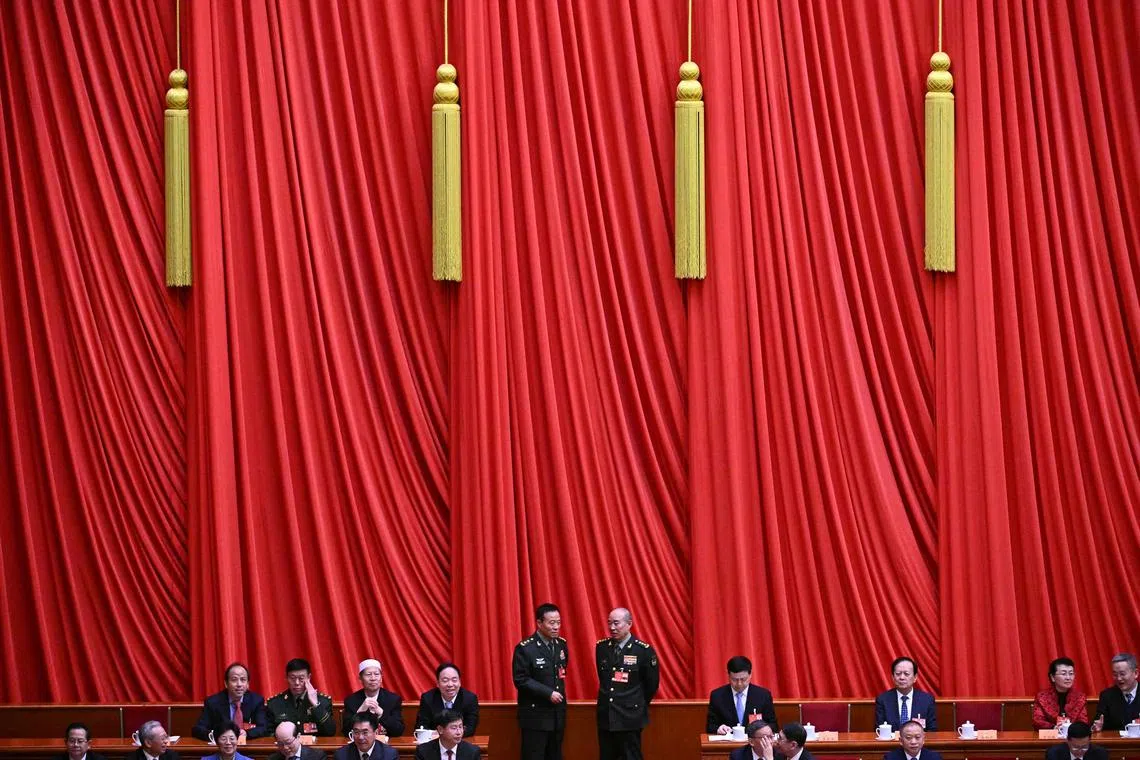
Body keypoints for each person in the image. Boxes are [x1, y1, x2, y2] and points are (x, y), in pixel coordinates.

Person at [595, 607, 659, 760]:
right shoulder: (602, 647)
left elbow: (652, 684)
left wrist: (635, 703)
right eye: (609, 623)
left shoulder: (643, 650)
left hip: (630, 716)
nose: (612, 628)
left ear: (629, 624)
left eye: (616, 623)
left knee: (631, 756)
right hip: (606, 715)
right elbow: (604, 679)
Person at [513, 603, 568, 760]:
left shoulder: (561, 645)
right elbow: (521, 679)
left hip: (557, 715)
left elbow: (561, 673)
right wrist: (548, 693)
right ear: (539, 623)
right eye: (552, 622)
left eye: (558, 622)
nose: (556, 626)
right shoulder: (526, 648)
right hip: (535, 716)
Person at [193, 662, 270, 740]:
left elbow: (263, 728)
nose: (239, 684)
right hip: (222, 748)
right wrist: (218, 735)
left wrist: (247, 733)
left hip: (247, 747)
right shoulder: (213, 702)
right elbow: (198, 729)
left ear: (247, 684)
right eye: (234, 679)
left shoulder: (256, 701)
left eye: (243, 680)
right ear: (226, 683)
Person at [706, 656, 779, 734]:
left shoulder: (763, 695)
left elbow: (773, 726)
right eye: (734, 680)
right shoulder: (717, 696)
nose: (739, 684)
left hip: (754, 743)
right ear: (728, 675)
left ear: (750, 674)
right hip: (728, 743)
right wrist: (719, 729)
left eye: (743, 679)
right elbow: (710, 727)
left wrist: (760, 731)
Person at [267, 658, 336, 736]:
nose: (297, 683)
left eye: (301, 678)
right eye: (292, 678)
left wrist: (316, 705)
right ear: (286, 678)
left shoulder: (323, 701)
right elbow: (269, 735)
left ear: (309, 677)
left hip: (314, 747)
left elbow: (330, 731)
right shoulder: (275, 703)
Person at [342, 658, 405, 737]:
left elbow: (398, 731)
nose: (373, 678)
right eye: (368, 674)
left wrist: (382, 714)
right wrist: (360, 712)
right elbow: (346, 732)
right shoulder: (351, 700)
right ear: (360, 678)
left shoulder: (393, 699)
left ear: (381, 678)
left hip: (386, 746)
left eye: (376, 674)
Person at [415, 662, 479, 737]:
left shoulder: (469, 699)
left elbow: (470, 728)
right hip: (434, 743)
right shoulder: (428, 698)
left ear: (460, 682)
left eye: (454, 680)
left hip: (460, 742)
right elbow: (421, 726)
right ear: (438, 683)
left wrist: (446, 734)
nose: (450, 684)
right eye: (445, 680)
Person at [874, 657, 937, 730]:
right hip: (892, 741)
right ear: (893, 677)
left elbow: (932, 730)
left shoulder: (927, 700)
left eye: (906, 674)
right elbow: (879, 729)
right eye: (898, 674)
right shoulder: (883, 700)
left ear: (915, 677)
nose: (902, 677)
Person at [1033, 657, 1089, 729]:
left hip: (1073, 737)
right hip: (1050, 736)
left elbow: (1083, 721)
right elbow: (1038, 721)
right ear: (1052, 677)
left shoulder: (1079, 697)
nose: (1068, 677)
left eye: (1071, 673)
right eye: (1064, 674)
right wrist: (1054, 727)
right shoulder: (1042, 697)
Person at [1091, 653, 1140, 732]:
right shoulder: (1107, 696)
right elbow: (1097, 723)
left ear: (1136, 673)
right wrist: (1096, 728)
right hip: (1116, 743)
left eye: (1122, 674)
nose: (1119, 678)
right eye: (1115, 674)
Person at [413, 710, 481, 760]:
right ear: (440, 730)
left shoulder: (472, 752)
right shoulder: (423, 752)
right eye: (454, 728)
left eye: (460, 727)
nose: (459, 732)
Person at [332, 714, 398, 760]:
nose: (360, 737)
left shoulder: (389, 755)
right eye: (356, 732)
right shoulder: (341, 755)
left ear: (376, 733)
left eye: (365, 732)